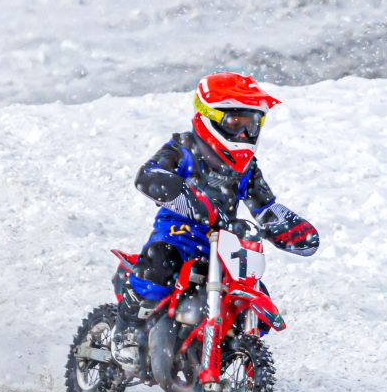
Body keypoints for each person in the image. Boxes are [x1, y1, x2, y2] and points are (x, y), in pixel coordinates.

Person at [112, 72, 320, 363]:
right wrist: (189, 199)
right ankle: (125, 329)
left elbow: (263, 204)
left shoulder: (246, 166)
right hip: (178, 237)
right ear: (210, 117)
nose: (245, 134)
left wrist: (289, 227)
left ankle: (231, 350)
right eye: (236, 123)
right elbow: (149, 175)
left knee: (257, 292)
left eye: (252, 124)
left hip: (222, 244)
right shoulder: (183, 148)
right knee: (160, 262)